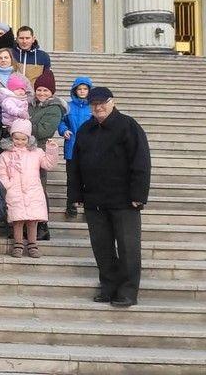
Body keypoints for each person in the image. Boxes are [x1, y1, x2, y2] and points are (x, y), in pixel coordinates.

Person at [67, 87, 151, 308]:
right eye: (94, 104)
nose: (98, 107)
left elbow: (141, 161)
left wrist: (139, 195)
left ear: (112, 102)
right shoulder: (85, 129)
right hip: (95, 200)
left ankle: (127, 291)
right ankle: (108, 287)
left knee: (128, 247)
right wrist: (75, 194)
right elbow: (74, 165)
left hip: (124, 200)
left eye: (102, 103)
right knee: (101, 247)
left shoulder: (128, 126)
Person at [0, 120, 59, 258]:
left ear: (29, 138)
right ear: (11, 137)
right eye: (16, 139)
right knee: (17, 220)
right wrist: (8, 185)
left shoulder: (37, 152)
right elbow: (2, 173)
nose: (19, 142)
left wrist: (52, 150)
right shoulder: (5, 155)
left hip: (33, 191)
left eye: (23, 139)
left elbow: (49, 164)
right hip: (15, 191)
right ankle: (18, 244)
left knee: (33, 219)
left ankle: (33, 244)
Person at [59, 76, 93, 218]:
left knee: (88, 178)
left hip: (89, 148)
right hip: (72, 147)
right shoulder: (68, 106)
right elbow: (61, 121)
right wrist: (63, 130)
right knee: (72, 177)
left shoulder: (93, 106)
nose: (82, 91)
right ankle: (71, 204)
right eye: (79, 89)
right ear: (75, 90)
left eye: (85, 89)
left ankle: (89, 205)